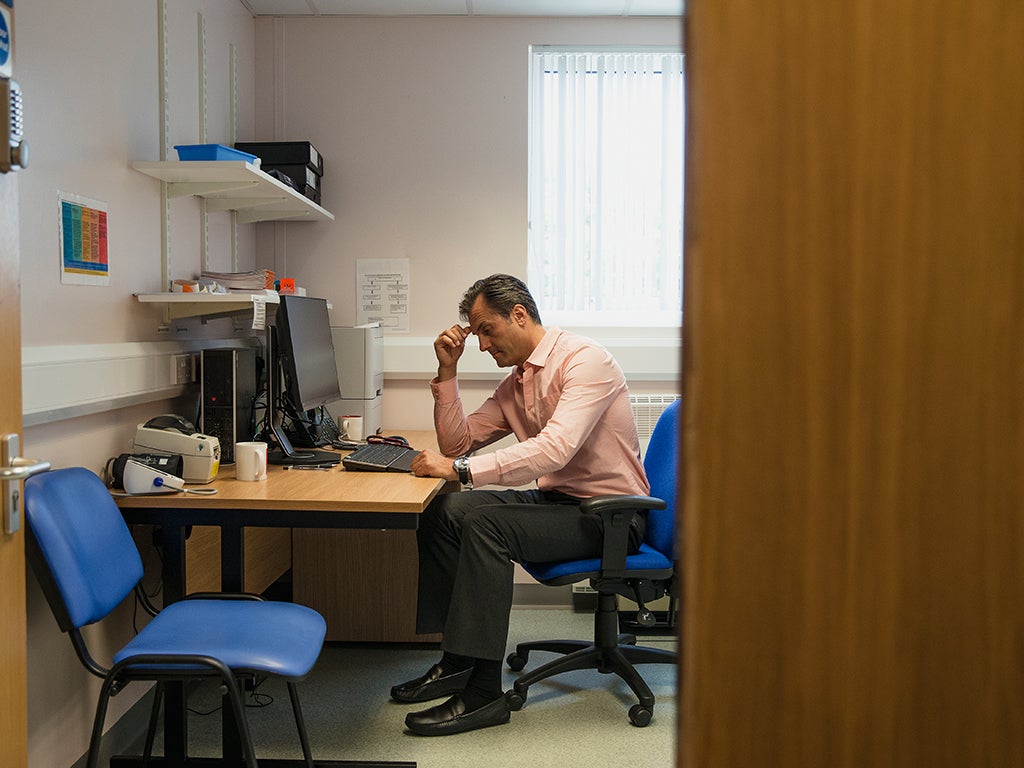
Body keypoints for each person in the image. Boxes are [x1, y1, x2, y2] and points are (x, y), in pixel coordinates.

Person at [395, 273, 650, 736]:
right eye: (477, 335)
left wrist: (463, 472)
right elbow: (457, 443)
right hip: (561, 503)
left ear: (519, 314)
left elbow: (554, 449)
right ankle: (457, 661)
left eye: (486, 330)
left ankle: (484, 694)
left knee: (486, 524)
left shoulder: (584, 362)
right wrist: (447, 373)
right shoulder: (518, 382)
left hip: (611, 515)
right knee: (446, 512)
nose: (482, 345)